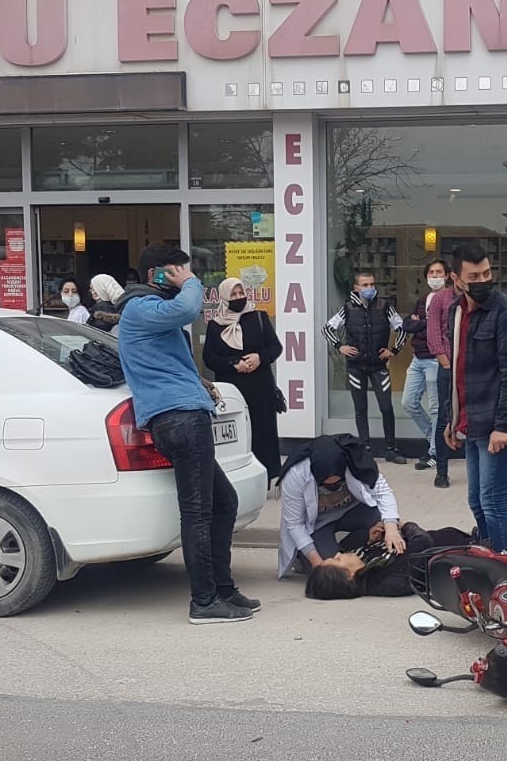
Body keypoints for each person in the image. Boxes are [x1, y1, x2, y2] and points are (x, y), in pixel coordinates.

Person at [115, 245, 261, 625]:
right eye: (175, 270)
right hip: (177, 418)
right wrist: (192, 282)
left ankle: (224, 590)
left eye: (184, 270)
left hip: (185, 411)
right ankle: (205, 601)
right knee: (198, 511)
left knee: (224, 502)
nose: (182, 275)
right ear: (155, 275)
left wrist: (199, 384)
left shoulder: (149, 311)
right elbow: (188, 308)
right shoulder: (140, 307)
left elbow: (163, 364)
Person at [444, 244, 507, 552]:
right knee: (476, 500)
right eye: (474, 275)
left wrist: (503, 426)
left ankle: (505, 566)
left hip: (498, 422)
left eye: (487, 273)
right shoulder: (456, 311)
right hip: (471, 419)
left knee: (492, 500)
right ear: (456, 279)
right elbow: (455, 371)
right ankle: (489, 556)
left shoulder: (506, 312)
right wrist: (450, 420)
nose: (482, 280)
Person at [277, 434, 404, 576]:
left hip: (354, 511)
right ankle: (304, 557)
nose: (333, 487)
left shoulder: (355, 458)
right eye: (325, 485)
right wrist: (318, 565)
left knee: (387, 524)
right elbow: (294, 524)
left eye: (337, 483)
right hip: (319, 524)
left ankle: (362, 543)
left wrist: (391, 528)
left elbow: (382, 491)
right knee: (334, 570)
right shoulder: (295, 474)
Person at [203, 276, 283, 486]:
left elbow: (275, 347)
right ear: (224, 297)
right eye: (233, 294)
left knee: (263, 432)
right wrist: (233, 363)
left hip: (260, 385)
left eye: (241, 293)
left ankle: (268, 478)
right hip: (233, 387)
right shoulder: (215, 325)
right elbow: (209, 358)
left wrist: (259, 358)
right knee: (238, 434)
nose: (239, 298)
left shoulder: (258, 317)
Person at [324, 270, 407, 463]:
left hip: (379, 366)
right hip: (356, 367)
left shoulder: (385, 306)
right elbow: (327, 329)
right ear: (356, 288)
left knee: (386, 407)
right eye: (365, 285)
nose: (369, 288)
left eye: (372, 284)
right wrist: (340, 346)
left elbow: (402, 329)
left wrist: (393, 351)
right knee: (360, 409)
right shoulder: (347, 308)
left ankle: (390, 449)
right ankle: (365, 449)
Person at [303, 521, 476, 600]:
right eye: (337, 560)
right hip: (470, 552)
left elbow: (353, 539)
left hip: (455, 537)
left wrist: (374, 539)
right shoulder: (384, 580)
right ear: (349, 576)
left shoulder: (365, 561)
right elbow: (423, 545)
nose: (339, 554)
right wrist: (404, 527)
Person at [401, 259, 448, 470]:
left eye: (439, 272)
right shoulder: (423, 299)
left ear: (447, 275)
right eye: (432, 272)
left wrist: (421, 322)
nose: (435, 276)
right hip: (417, 358)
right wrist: (425, 322)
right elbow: (407, 324)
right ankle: (436, 440)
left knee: (436, 407)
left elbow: (442, 328)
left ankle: (435, 453)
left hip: (435, 360)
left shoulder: (450, 299)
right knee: (408, 402)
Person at [426, 261, 461, 489]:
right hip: (448, 365)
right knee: (443, 417)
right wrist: (443, 359)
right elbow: (433, 331)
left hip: (470, 367)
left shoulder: (476, 298)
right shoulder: (441, 298)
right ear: (453, 276)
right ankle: (441, 471)